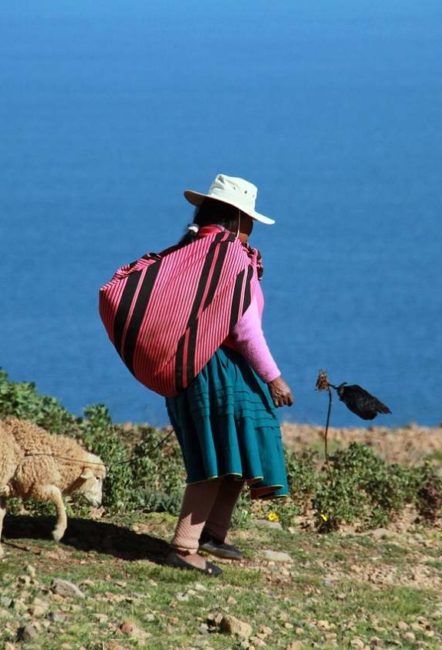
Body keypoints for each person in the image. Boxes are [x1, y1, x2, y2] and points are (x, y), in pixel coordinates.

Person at [164, 173, 294, 576]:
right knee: (217, 453)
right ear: (237, 218)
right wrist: (273, 376)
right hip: (216, 369)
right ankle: (185, 546)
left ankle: (213, 534)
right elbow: (243, 326)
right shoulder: (230, 258)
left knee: (233, 443)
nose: (252, 228)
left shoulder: (190, 250)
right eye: (249, 219)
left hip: (190, 366)